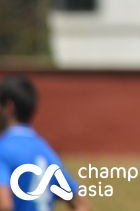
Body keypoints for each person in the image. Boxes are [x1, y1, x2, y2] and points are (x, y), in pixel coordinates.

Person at [0, 75, 90, 211]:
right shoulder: (46, 152)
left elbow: (4, 205)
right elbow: (81, 204)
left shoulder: (3, 150)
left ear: (9, 107)